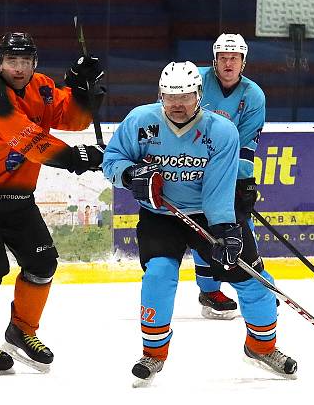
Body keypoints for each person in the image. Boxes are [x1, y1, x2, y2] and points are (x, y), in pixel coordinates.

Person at [102, 61, 296, 386]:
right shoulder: (140, 121)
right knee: (159, 275)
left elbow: (219, 187)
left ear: (199, 94)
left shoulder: (220, 131)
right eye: (169, 96)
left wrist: (225, 229)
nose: (177, 104)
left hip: (209, 213)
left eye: (186, 96)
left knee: (253, 278)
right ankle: (153, 353)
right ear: (160, 95)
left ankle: (262, 346)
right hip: (161, 215)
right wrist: (130, 174)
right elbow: (112, 160)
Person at [0, 32, 106, 372]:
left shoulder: (41, 87)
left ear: (34, 64)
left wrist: (82, 89)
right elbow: (34, 144)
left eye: (26, 61)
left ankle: (21, 331)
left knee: (42, 265)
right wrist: (78, 157)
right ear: (0, 63)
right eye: (12, 61)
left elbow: (75, 118)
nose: (19, 68)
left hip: (15, 197)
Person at [191, 33, 266, 320]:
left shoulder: (254, 95)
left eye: (234, 57)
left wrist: (243, 182)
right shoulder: (195, 78)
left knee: (241, 230)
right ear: (215, 60)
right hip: (187, 167)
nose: (228, 62)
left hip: (225, 170)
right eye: (223, 57)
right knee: (202, 229)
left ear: (243, 62)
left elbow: (247, 143)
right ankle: (209, 290)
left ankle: (256, 291)